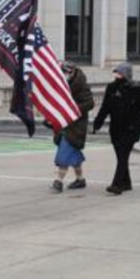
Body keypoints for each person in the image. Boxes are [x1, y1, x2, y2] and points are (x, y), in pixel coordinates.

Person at [93, 62, 140, 195]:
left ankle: (117, 184)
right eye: (116, 73)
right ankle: (127, 182)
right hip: (116, 128)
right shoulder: (111, 88)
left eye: (119, 73)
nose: (116, 75)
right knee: (121, 157)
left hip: (131, 128)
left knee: (123, 157)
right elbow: (105, 107)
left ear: (126, 74)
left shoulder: (136, 90)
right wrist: (98, 123)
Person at [50, 61, 95, 193]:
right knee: (73, 155)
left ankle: (58, 181)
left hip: (76, 126)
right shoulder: (61, 85)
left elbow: (90, 103)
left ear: (71, 72)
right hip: (63, 125)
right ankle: (80, 179)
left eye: (64, 73)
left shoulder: (81, 86)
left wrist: (72, 110)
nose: (62, 75)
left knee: (64, 154)